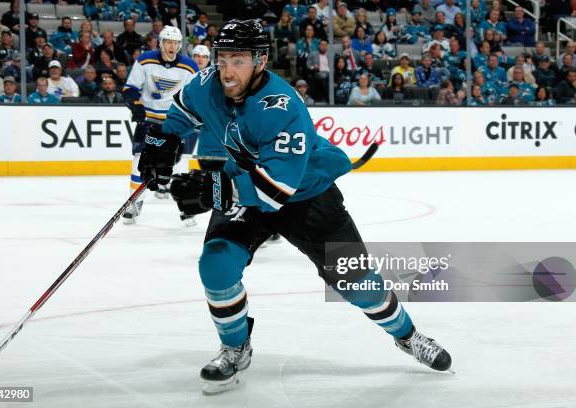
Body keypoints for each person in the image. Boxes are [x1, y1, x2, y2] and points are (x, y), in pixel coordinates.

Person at [137, 19, 452, 394]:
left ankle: (407, 335)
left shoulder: (284, 106)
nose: (227, 69)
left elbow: (274, 191)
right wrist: (164, 141)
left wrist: (212, 189)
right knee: (216, 265)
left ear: (260, 60)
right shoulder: (207, 83)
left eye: (238, 60)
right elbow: (183, 110)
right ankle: (236, 347)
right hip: (245, 184)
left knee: (360, 286)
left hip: (305, 194)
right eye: (223, 59)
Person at [121, 25, 198, 222]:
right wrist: (136, 107)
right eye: (168, 42)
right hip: (149, 121)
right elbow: (130, 88)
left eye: (175, 43)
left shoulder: (189, 67)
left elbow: (195, 95)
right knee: (139, 160)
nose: (172, 46)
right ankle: (135, 201)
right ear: (161, 43)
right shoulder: (145, 60)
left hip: (176, 123)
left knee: (179, 166)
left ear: (180, 45)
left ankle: (186, 207)